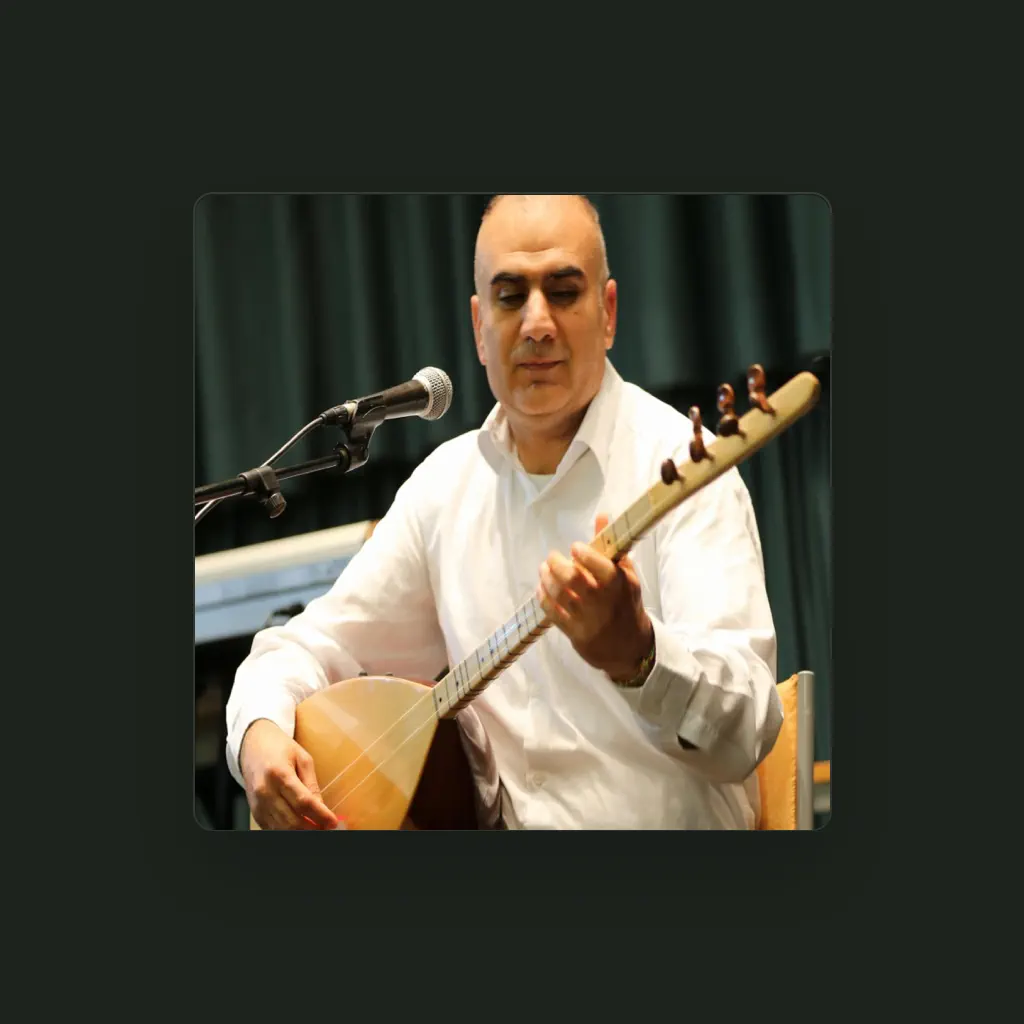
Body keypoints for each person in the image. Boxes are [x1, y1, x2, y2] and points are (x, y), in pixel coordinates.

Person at [225, 193, 783, 830]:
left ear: (608, 313)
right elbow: (307, 646)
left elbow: (749, 727)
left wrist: (640, 656)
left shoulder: (686, 466)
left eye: (563, 292)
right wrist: (259, 735)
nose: (537, 323)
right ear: (479, 327)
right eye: (511, 296)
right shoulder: (445, 490)